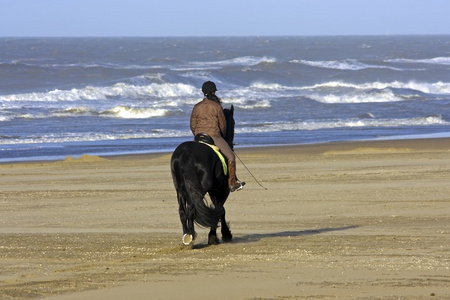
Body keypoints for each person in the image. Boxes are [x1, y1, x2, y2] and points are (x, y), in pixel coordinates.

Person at [190, 81, 245, 192]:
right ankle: (232, 182)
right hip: (214, 136)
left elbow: (192, 125)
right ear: (214, 92)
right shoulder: (217, 106)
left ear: (202, 92)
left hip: (198, 137)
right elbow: (223, 125)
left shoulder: (197, 106)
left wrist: (197, 135)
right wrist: (222, 137)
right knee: (230, 157)